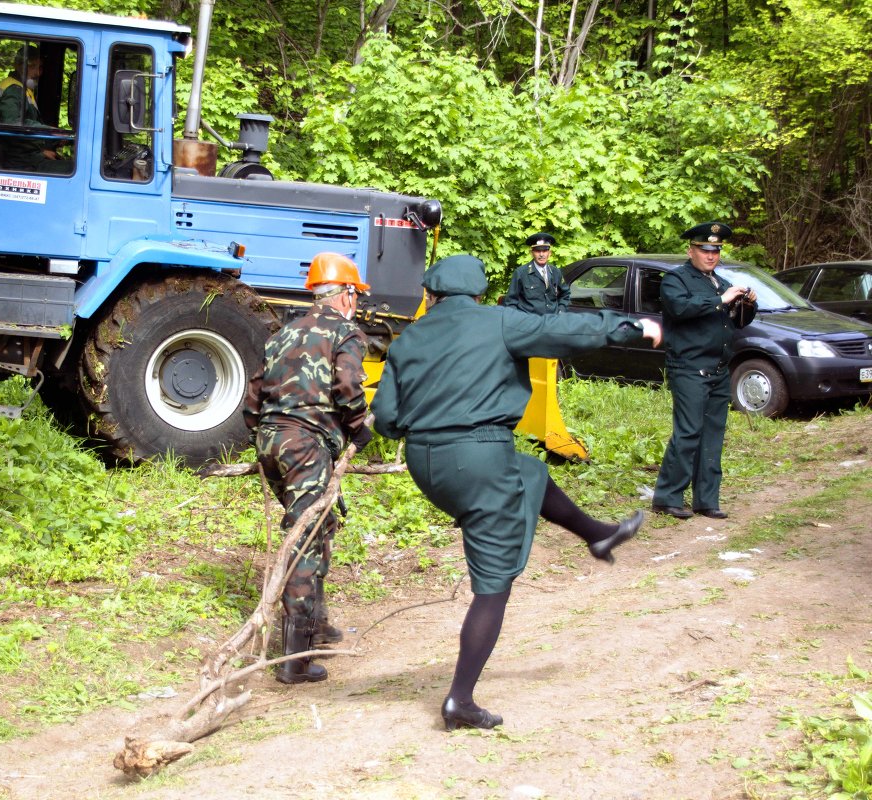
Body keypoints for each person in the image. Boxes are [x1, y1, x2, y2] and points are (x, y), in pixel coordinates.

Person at [370, 254, 660, 730]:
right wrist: (633, 327)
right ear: (479, 293)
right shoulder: (501, 322)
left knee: (528, 470)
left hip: (426, 463)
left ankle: (597, 534)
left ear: (432, 294)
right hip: (478, 456)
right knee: (493, 584)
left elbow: (387, 418)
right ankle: (459, 700)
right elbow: (568, 330)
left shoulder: (411, 338)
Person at [243, 252, 375, 685]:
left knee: (318, 526)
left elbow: (253, 395)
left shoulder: (283, 333)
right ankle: (294, 660)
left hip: (271, 440)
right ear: (347, 295)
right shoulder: (345, 332)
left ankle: (316, 625)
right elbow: (348, 386)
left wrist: (262, 439)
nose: (356, 303)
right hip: (306, 443)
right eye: (356, 295)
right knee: (307, 538)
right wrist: (359, 427)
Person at [651, 222, 757, 520]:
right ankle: (667, 497)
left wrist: (748, 304)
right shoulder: (676, 280)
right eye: (705, 250)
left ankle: (706, 500)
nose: (711, 256)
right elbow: (680, 309)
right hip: (689, 367)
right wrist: (721, 300)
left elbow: (735, 321)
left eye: (716, 251)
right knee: (688, 433)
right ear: (691, 250)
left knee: (713, 435)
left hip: (718, 368)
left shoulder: (720, 282)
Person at [0, 46, 62, 171]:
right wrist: (49, 131)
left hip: (25, 156)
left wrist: (42, 151)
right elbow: (15, 124)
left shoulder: (21, 89)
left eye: (40, 67)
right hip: (19, 162)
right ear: (18, 65)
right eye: (32, 66)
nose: (37, 73)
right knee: (72, 169)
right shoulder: (13, 90)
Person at [503, 232, 570, 314]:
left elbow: (565, 294)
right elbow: (511, 302)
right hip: (529, 323)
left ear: (550, 253)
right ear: (532, 253)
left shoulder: (556, 272)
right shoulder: (521, 273)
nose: (541, 254)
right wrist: (518, 321)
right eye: (538, 251)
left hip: (551, 322)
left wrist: (561, 311)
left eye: (545, 251)